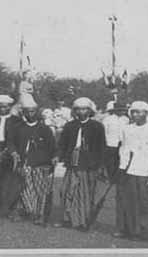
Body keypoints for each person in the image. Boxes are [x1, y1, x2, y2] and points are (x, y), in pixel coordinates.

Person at [114, 101, 148, 241]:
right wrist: (122, 169)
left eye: (139, 112)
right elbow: (123, 150)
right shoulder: (127, 129)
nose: (136, 115)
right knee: (128, 202)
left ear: (146, 114)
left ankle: (146, 232)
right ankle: (129, 230)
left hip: (145, 172)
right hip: (129, 171)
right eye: (133, 112)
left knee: (145, 203)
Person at [55, 97, 105, 231]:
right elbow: (62, 144)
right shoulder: (70, 126)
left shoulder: (97, 126)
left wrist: (98, 165)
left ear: (89, 110)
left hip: (88, 164)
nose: (81, 112)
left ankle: (83, 221)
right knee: (66, 190)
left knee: (84, 193)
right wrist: (58, 156)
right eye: (78, 109)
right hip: (72, 162)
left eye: (84, 109)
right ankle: (67, 218)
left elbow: (101, 147)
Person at [6, 95, 57, 226]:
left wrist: (54, 157)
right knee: (25, 190)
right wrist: (14, 153)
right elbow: (11, 142)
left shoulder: (44, 129)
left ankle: (40, 215)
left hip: (41, 164)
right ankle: (28, 211)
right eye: (27, 111)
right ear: (23, 112)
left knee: (41, 191)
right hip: (24, 163)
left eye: (32, 111)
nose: (30, 114)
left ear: (37, 112)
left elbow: (53, 147)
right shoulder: (18, 127)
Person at [101, 101, 130, 182]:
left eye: (123, 110)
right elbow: (104, 132)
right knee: (110, 162)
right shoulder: (108, 119)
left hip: (122, 144)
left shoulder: (126, 120)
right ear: (115, 110)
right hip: (110, 144)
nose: (122, 112)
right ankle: (111, 177)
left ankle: (118, 177)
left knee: (120, 161)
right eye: (120, 110)